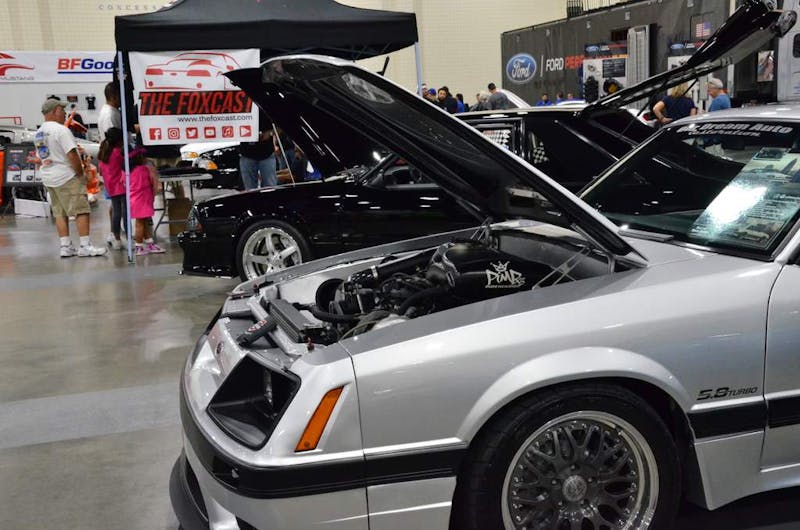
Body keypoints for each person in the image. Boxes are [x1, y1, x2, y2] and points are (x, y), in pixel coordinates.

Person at [34, 98, 107, 258]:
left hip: (49, 177)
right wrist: (80, 173)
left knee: (60, 213)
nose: (65, 112)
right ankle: (85, 245)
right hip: (67, 176)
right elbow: (72, 154)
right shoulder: (61, 130)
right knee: (82, 210)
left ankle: (65, 246)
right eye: (62, 109)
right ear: (54, 111)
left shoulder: (39, 132)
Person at [97, 81, 123, 246]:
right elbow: (111, 137)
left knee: (116, 203)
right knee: (117, 205)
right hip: (114, 168)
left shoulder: (111, 111)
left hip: (111, 167)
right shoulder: (109, 115)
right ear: (114, 96)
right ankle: (115, 234)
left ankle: (115, 234)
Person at [127, 148, 165, 256]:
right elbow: (154, 183)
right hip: (143, 199)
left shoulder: (128, 171)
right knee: (140, 224)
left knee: (143, 222)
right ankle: (138, 246)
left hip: (134, 199)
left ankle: (149, 242)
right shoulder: (145, 169)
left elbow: (123, 182)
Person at [97, 127, 127, 250]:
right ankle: (129, 238)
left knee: (116, 212)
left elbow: (100, 171)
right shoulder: (119, 152)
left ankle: (117, 238)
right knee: (125, 213)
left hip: (111, 187)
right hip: (122, 185)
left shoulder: (103, 153)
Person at [239, 117, 277, 190]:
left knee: (270, 187)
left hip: (266, 152)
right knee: (250, 189)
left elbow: (280, 123)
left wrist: (270, 132)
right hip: (247, 153)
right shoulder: (244, 106)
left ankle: (270, 201)